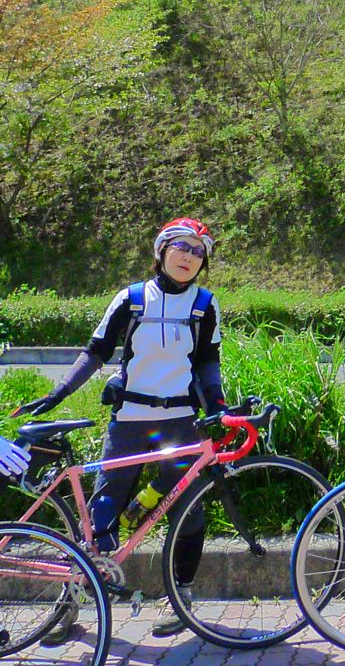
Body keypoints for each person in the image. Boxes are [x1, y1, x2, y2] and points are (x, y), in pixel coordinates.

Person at [15, 218, 227, 637]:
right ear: (161, 251)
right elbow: (95, 352)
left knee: (190, 510)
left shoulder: (204, 304)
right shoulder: (131, 299)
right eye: (181, 246)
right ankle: (69, 603)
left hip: (180, 423)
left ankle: (180, 596)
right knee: (100, 516)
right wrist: (57, 394)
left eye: (199, 251)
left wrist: (218, 406)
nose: (189, 257)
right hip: (130, 421)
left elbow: (207, 363)